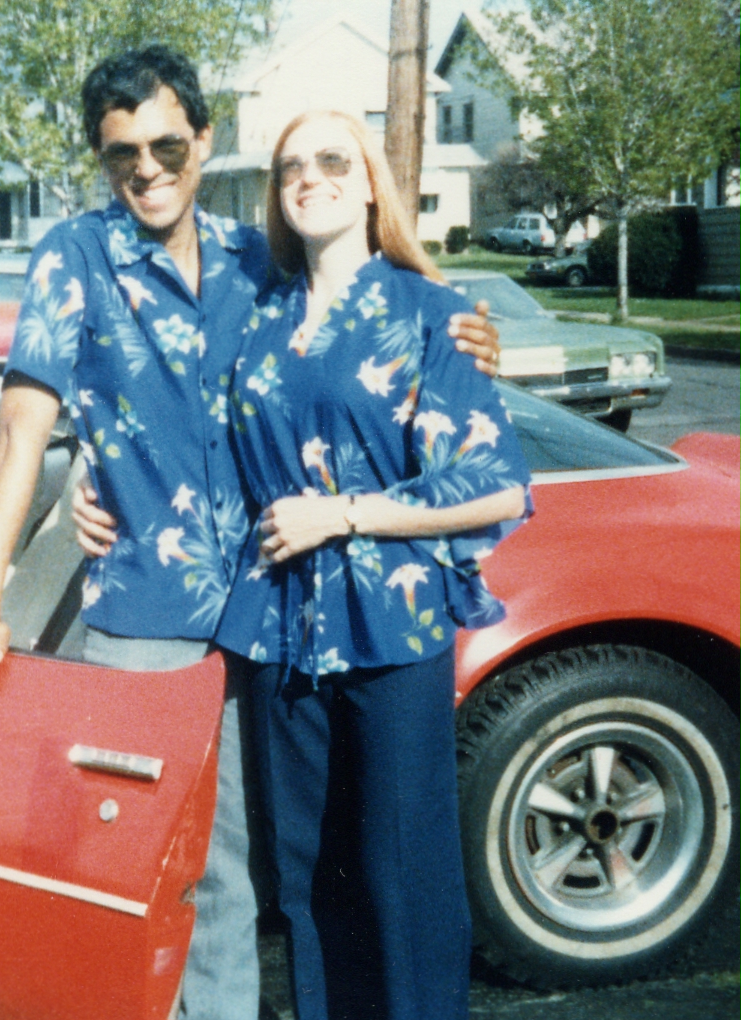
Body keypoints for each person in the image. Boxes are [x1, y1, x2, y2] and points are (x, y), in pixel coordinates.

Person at [0, 47, 501, 1020]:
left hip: (273, 610)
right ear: (102, 159)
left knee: (244, 865)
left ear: (202, 139)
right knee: (143, 865)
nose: (147, 169)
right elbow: (22, 429)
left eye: (165, 145)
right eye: (123, 154)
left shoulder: (256, 258)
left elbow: (364, 336)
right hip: (144, 614)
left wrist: (469, 335)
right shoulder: (74, 257)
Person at [212, 109, 531, 1020]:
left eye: (331, 161)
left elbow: (496, 486)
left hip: (391, 626)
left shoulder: (431, 312)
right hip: (279, 631)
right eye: (289, 167)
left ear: (368, 186)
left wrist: (342, 515)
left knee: (402, 872)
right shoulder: (259, 318)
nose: (308, 178)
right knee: (308, 876)